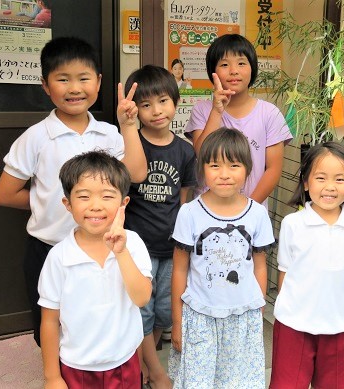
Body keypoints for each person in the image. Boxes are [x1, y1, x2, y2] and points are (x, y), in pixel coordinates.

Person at [0, 36, 147, 347]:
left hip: (103, 247)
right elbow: (5, 194)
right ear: (46, 85)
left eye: (84, 78)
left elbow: (137, 174)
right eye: (63, 79)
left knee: (95, 321)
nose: (75, 88)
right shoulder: (35, 138)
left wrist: (128, 126)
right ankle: (56, 375)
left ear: (99, 82)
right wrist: (49, 203)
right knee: (51, 322)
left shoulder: (108, 133)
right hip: (48, 248)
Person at [168, 127, 275, 388]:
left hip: (242, 318)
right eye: (215, 165)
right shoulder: (189, 213)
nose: (224, 174)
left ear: (248, 169)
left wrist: (256, 310)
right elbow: (180, 269)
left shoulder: (257, 214)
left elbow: (260, 266)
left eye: (234, 165)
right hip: (200, 316)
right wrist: (178, 321)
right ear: (202, 169)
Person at [38, 150, 152, 388]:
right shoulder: (59, 257)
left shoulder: (133, 244)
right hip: (77, 366)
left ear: (123, 203)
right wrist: (52, 377)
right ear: (68, 204)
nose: (96, 206)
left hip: (124, 361)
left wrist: (120, 252)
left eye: (107, 196)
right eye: (84, 196)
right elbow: (49, 321)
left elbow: (141, 299)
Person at [269, 141, 344, 389]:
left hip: (338, 326)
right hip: (294, 325)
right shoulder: (293, 224)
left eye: (339, 179)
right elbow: (284, 273)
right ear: (306, 182)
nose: (329, 187)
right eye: (321, 178)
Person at [123, 64, 197, 389]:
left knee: (164, 312)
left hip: (171, 248)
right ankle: (152, 370)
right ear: (135, 109)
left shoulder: (185, 151)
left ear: (176, 103)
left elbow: (184, 201)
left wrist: (184, 244)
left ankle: (145, 360)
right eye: (146, 104)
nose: (156, 111)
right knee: (142, 310)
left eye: (163, 101)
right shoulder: (129, 144)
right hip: (138, 249)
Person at [184, 33, 292, 208]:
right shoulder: (202, 110)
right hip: (207, 210)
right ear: (213, 72)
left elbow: (273, 169)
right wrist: (217, 111)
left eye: (241, 63)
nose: (234, 70)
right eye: (224, 64)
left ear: (252, 68)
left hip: (252, 210)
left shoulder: (269, 113)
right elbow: (201, 153)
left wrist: (248, 209)